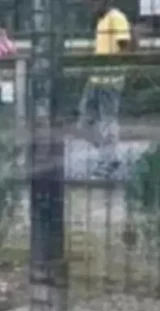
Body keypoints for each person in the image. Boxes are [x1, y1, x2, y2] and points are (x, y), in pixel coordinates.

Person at [77, 0, 133, 179]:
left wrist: (116, 69)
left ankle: (107, 162)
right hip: (95, 77)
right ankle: (110, 156)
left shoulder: (117, 18)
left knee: (108, 121)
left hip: (111, 78)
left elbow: (125, 48)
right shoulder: (101, 20)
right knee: (85, 122)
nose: (89, 6)